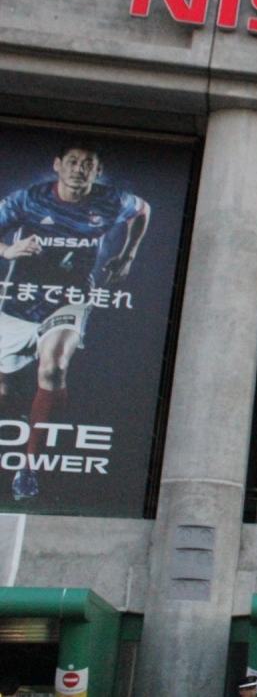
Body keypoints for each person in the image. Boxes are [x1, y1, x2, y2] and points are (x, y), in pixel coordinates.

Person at [0, 141, 150, 500]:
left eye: (87, 163)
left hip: (70, 296)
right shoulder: (29, 199)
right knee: (5, 390)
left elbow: (143, 209)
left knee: (54, 365)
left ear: (97, 171)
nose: (79, 169)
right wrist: (8, 250)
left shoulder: (110, 200)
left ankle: (29, 467)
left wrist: (128, 255)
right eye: (72, 161)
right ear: (57, 165)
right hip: (21, 299)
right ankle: (46, 409)